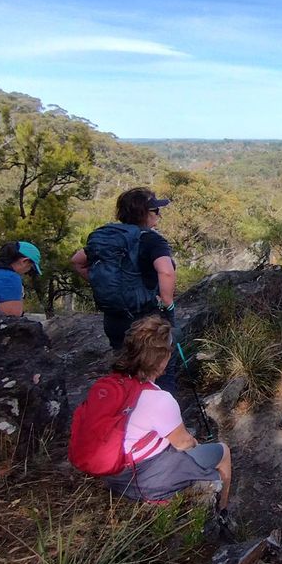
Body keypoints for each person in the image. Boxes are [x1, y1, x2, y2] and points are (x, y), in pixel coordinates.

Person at [100, 316, 234, 529]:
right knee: (223, 451)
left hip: (111, 472)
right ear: (161, 359)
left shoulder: (109, 385)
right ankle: (223, 514)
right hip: (141, 480)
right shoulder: (159, 399)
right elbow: (183, 444)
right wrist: (196, 444)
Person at [71, 187, 179, 394]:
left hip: (114, 319)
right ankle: (162, 421)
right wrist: (167, 303)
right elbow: (165, 271)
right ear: (145, 213)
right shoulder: (150, 239)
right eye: (156, 210)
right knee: (162, 372)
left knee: (125, 370)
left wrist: (108, 285)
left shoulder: (109, 236)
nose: (159, 215)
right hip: (146, 319)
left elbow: (77, 261)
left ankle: (125, 416)